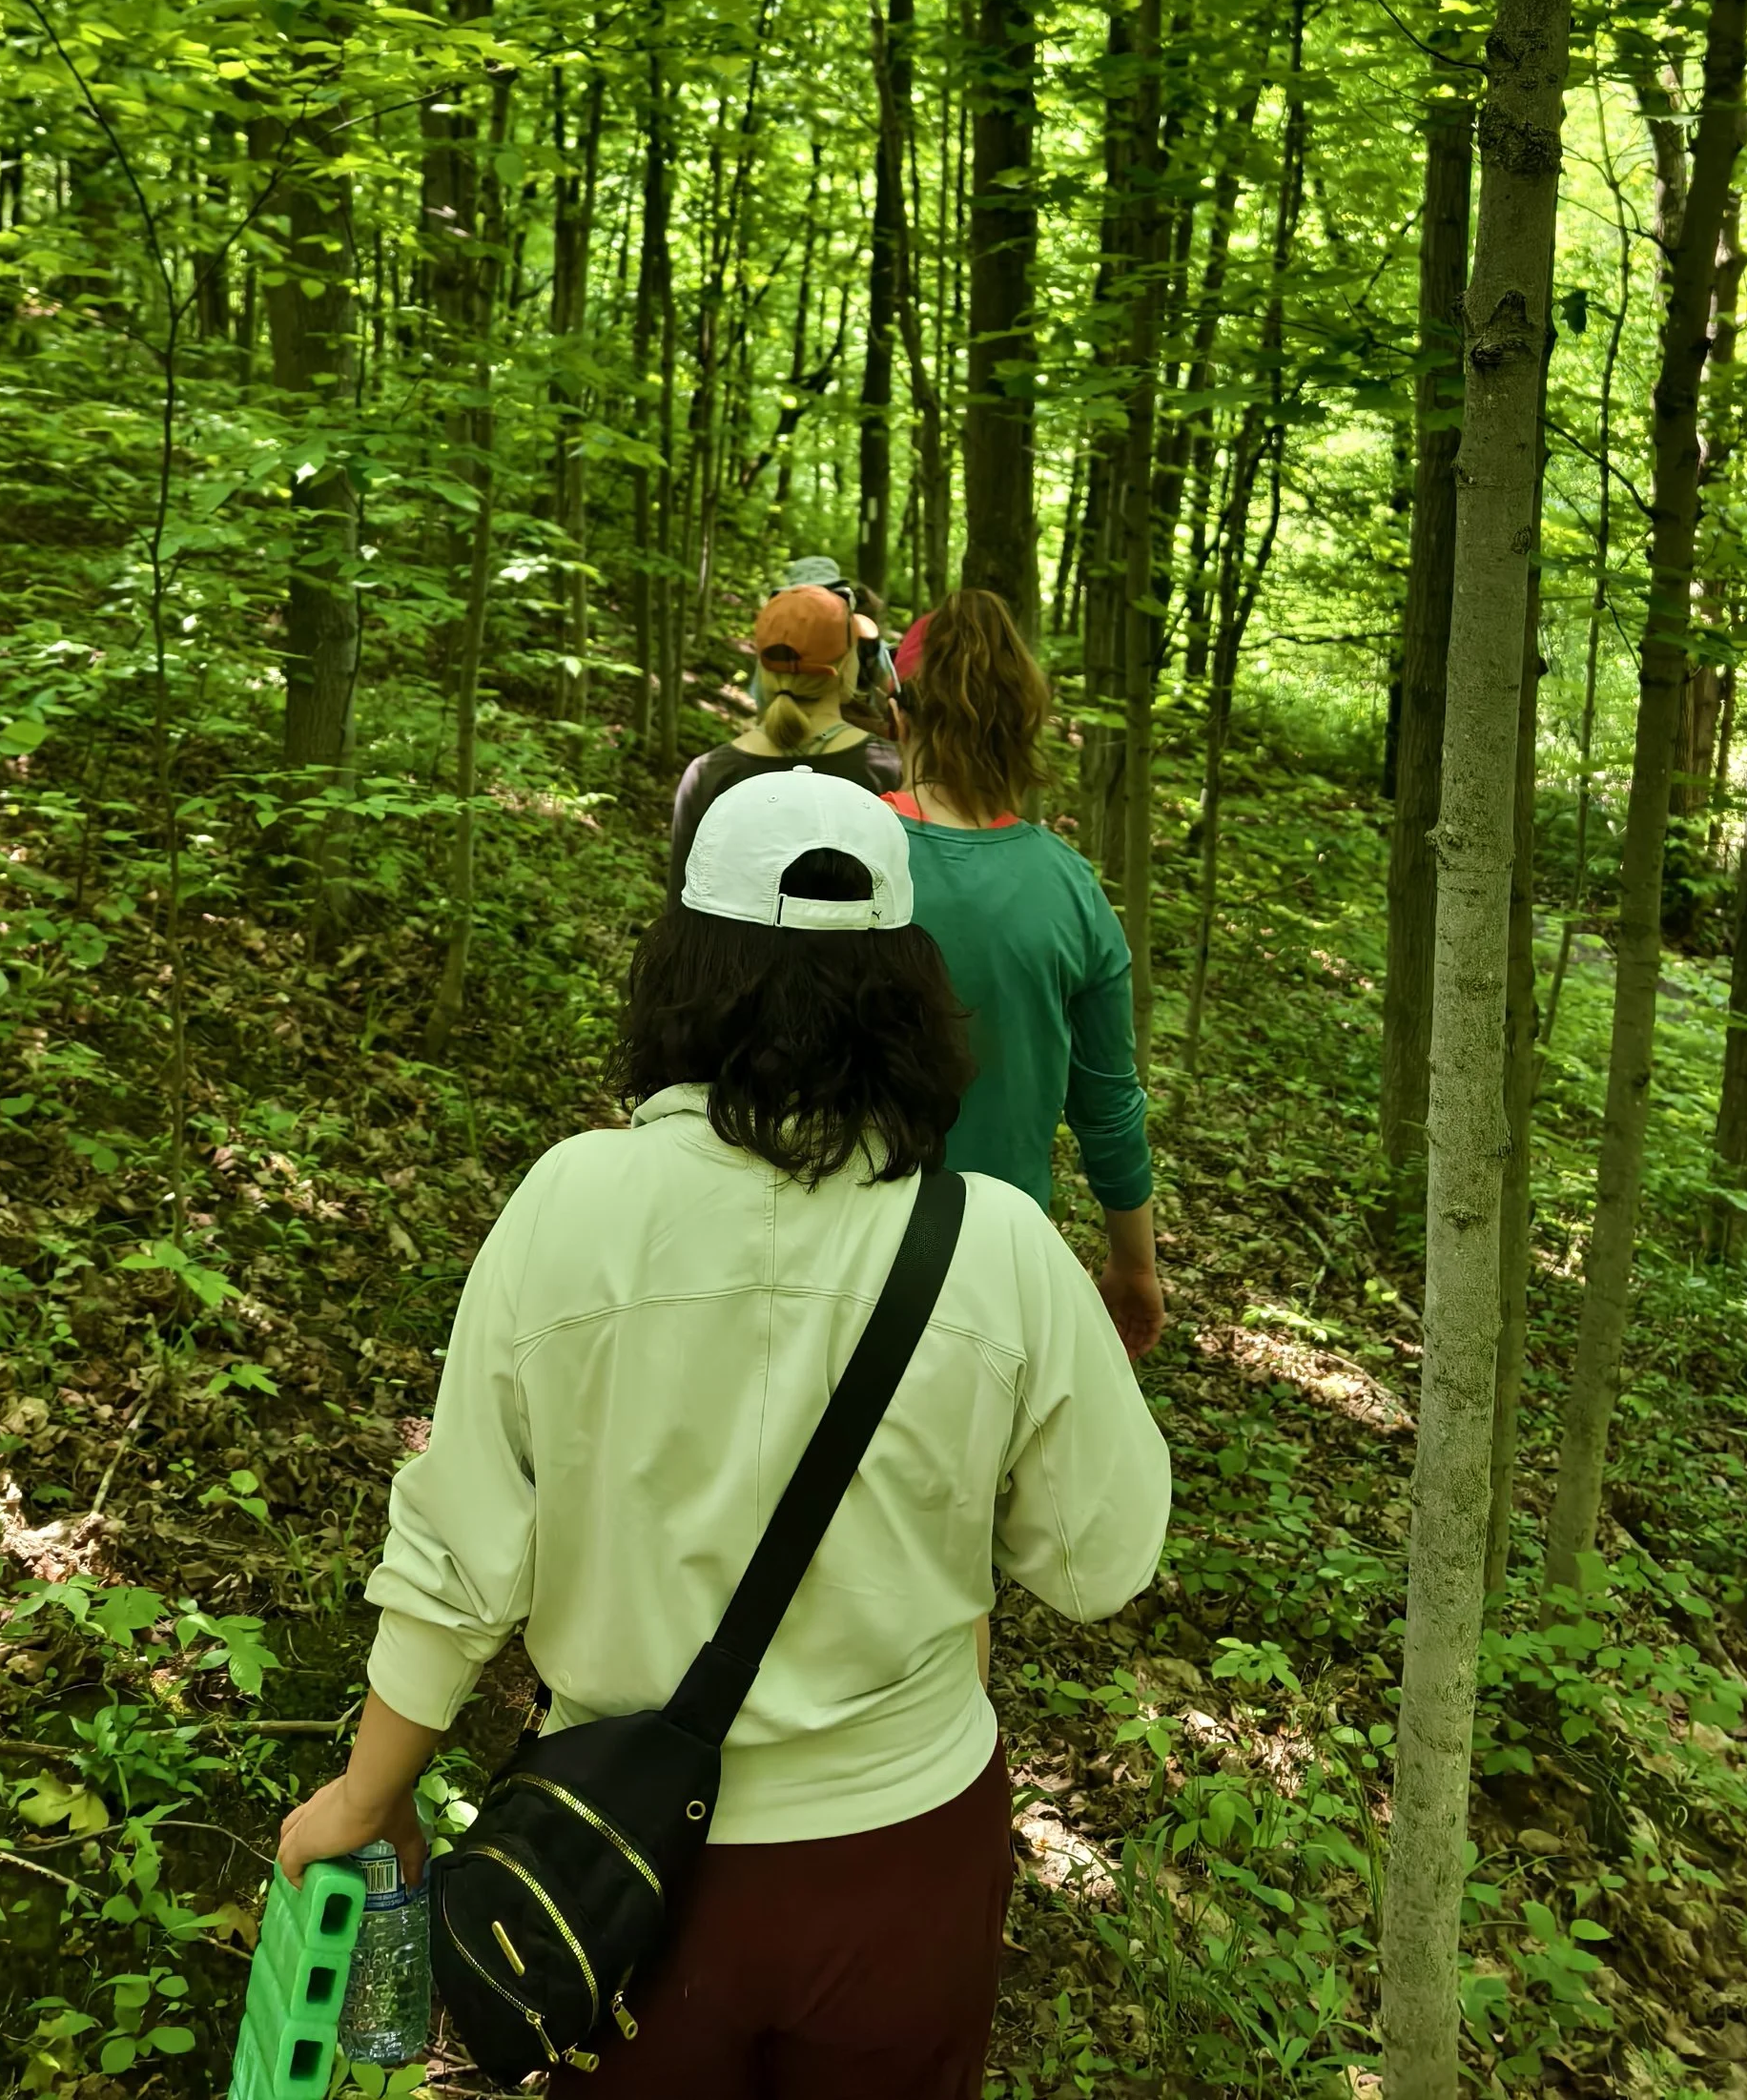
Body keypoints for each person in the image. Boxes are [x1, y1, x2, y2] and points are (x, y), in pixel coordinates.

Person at [278, 770, 1169, 2098]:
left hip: (619, 1864)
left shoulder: (568, 1205)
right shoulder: (994, 1243)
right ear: (910, 990)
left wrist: (367, 1792)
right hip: (906, 1850)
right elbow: (1102, 1560)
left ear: (683, 968)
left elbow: (459, 1546)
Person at [882, 589, 1165, 1361]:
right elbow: (1108, 1105)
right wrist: (1133, 1264)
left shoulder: (841, 849)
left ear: (898, 711)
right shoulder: (1070, 888)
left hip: (822, 1253)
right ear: (1028, 723)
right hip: (987, 1273)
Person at [667, 577, 896, 896]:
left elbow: (682, 912)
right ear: (847, 663)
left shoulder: (709, 775)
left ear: (762, 667)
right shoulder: (888, 770)